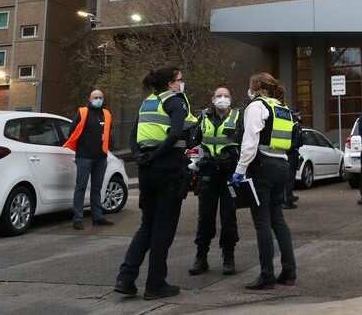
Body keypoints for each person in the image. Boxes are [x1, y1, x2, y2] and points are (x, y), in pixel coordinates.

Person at [115, 66, 198, 301]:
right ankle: (155, 284)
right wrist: (157, 155)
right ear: (170, 83)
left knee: (147, 225)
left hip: (147, 170)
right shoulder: (176, 101)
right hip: (167, 168)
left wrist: (140, 156)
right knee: (164, 229)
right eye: (179, 79)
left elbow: (133, 134)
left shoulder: (148, 103)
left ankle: (125, 279)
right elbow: (176, 133)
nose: (182, 83)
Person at [230, 73, 297, 290]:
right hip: (282, 166)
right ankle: (289, 272)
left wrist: (240, 170)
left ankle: (267, 275)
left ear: (256, 88)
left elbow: (250, 142)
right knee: (278, 220)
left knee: (262, 222)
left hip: (263, 167)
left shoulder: (256, 107)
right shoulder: (282, 108)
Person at [189, 87, 241, 277]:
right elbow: (193, 142)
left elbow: (245, 143)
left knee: (228, 218)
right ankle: (201, 257)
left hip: (229, 174)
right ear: (212, 99)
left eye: (226, 95)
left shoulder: (238, 118)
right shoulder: (203, 117)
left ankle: (228, 257)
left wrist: (234, 159)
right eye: (219, 95)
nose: (222, 98)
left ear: (231, 99)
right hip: (208, 172)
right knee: (205, 217)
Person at [63, 89, 114, 230]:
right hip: (84, 157)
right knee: (81, 187)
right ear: (90, 99)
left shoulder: (107, 114)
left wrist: (109, 148)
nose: (98, 99)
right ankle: (77, 219)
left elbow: (109, 133)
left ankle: (97, 217)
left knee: (97, 188)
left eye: (100, 97)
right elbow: (72, 132)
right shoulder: (83, 112)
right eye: (95, 97)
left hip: (101, 157)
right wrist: (81, 148)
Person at [283, 108, 304, 210]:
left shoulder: (289, 124)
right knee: (290, 178)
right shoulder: (295, 125)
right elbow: (297, 141)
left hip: (289, 153)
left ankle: (289, 196)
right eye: (298, 114)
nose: (300, 116)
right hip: (291, 154)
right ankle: (287, 201)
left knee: (289, 178)